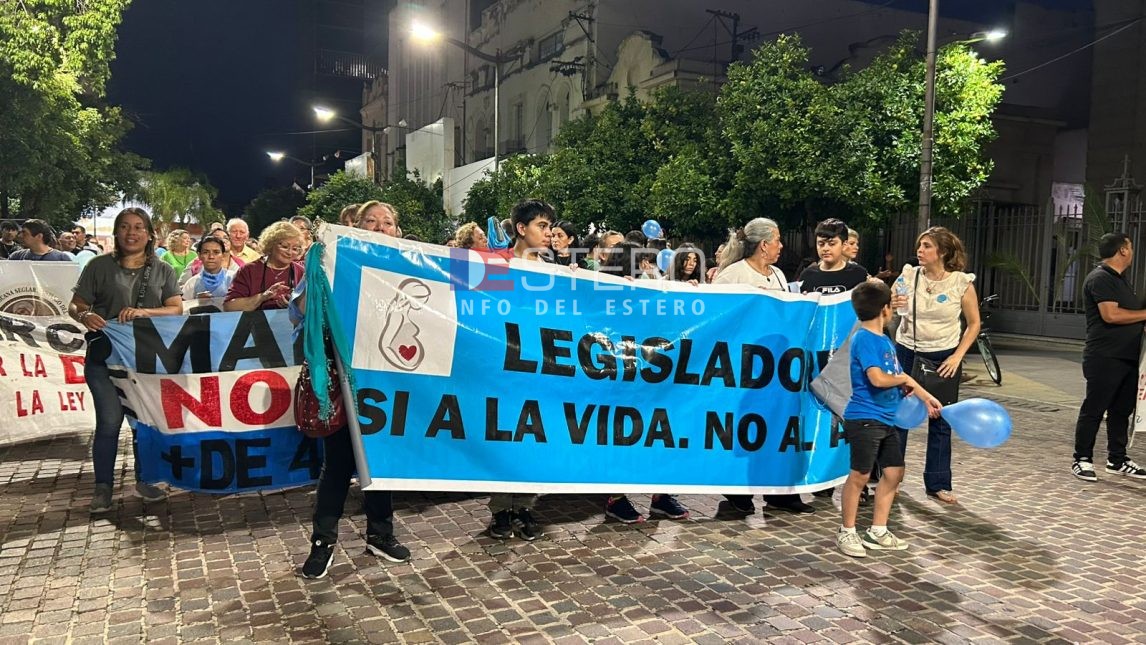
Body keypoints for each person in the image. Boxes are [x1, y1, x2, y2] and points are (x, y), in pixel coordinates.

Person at [292, 283, 410, 580]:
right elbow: (301, 310)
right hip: (340, 380)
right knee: (338, 466)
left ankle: (381, 535)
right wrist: (319, 267)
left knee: (378, 463)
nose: (380, 231)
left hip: (382, 376)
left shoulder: (387, 260)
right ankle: (323, 543)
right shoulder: (328, 260)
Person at [69, 207, 182, 512]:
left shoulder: (163, 271)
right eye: (125, 227)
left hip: (146, 361)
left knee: (141, 423)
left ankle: (145, 479)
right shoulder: (98, 266)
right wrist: (85, 314)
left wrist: (145, 312)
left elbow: (175, 309)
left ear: (148, 234)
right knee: (109, 421)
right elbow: (76, 305)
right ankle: (102, 487)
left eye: (138, 227)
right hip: (104, 358)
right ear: (117, 233)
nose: (132, 233)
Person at [713, 218, 813, 514]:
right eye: (778, 240)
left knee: (776, 427)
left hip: (776, 368)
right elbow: (719, 320)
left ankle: (779, 492)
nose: (782, 246)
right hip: (744, 368)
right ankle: (738, 491)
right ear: (764, 244)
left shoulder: (779, 275)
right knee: (744, 429)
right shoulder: (732, 276)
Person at [836, 281, 942, 558]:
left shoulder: (884, 341)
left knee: (894, 472)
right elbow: (877, 378)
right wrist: (903, 379)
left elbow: (894, 378)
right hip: (865, 418)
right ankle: (847, 531)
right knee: (859, 475)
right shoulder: (864, 338)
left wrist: (926, 397)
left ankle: (878, 529)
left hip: (886, 419)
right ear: (884, 309)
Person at [890, 227, 980, 504]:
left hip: (943, 355)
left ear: (942, 251)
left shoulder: (960, 283)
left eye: (927, 246)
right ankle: (891, 478)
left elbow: (974, 324)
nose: (920, 250)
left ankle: (938, 483)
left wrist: (957, 357)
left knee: (941, 419)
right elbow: (890, 309)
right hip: (907, 351)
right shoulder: (908, 275)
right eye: (920, 245)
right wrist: (892, 304)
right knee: (898, 418)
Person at [487, 199, 554, 541]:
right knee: (504, 436)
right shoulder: (494, 264)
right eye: (541, 225)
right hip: (504, 367)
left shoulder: (552, 270)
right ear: (520, 229)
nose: (548, 232)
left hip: (539, 368)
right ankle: (500, 510)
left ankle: (525, 507)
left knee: (533, 438)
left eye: (549, 226)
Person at [1071, 232, 1146, 482]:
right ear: (1123, 250)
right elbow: (1111, 315)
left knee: (1121, 410)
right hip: (1104, 356)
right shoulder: (1100, 278)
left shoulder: (1120, 280)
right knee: (1094, 408)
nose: (1132, 252)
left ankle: (1117, 459)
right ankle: (1082, 459)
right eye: (1131, 247)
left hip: (1127, 356)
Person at [223, 221, 304, 312]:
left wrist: (294, 306)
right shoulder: (249, 270)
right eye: (285, 246)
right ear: (271, 244)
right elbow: (229, 306)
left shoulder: (302, 272)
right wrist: (262, 297)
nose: (289, 252)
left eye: (295, 249)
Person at [798, 219, 868, 295]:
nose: (825, 249)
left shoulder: (859, 274)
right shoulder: (807, 275)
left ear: (844, 245)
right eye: (821, 244)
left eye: (832, 244)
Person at [181, 237, 238, 301]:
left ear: (223, 255)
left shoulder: (234, 278)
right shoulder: (192, 283)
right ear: (199, 256)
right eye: (206, 252)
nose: (211, 257)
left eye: (216, 252)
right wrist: (196, 302)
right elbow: (183, 307)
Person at [8, 220, 73, 261]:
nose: (20, 236)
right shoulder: (16, 257)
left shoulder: (62, 259)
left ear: (39, 236)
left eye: (24, 233)